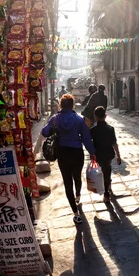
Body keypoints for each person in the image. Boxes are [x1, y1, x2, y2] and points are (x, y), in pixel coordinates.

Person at [41, 94, 96, 224]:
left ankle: (75, 213)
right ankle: (78, 196)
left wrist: (52, 125)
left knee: (67, 181)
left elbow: (44, 132)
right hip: (77, 152)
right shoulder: (79, 119)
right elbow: (86, 138)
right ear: (72, 105)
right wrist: (92, 152)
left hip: (62, 153)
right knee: (77, 176)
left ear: (60, 104)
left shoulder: (55, 119)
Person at [90, 106, 121, 202]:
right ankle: (107, 192)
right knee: (107, 171)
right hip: (108, 155)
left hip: (98, 155)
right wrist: (118, 156)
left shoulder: (93, 130)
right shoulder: (110, 129)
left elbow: (89, 143)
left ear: (95, 117)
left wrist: (91, 153)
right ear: (105, 116)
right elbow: (114, 143)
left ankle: (106, 192)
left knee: (102, 173)